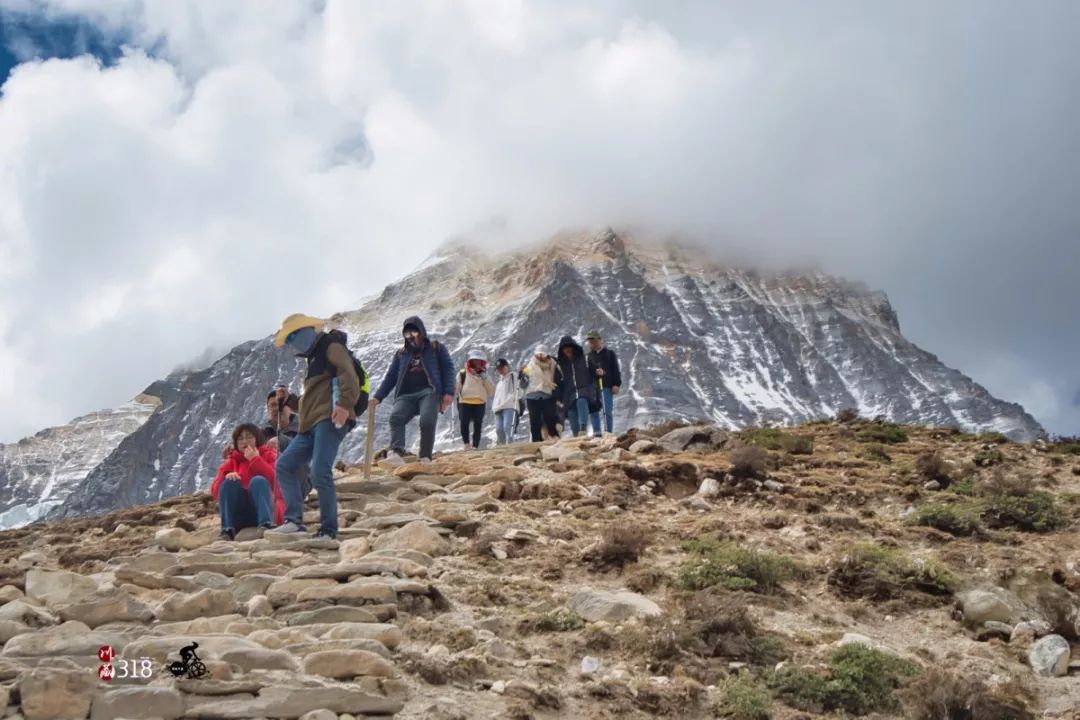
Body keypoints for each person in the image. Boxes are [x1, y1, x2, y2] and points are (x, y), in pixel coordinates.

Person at [268, 314, 362, 542]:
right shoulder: (314, 358)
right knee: (284, 465)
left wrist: (343, 404)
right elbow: (313, 398)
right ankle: (294, 521)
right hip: (310, 423)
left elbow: (348, 375)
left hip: (328, 419)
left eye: (293, 336)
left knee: (320, 470)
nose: (292, 343)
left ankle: (329, 530)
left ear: (306, 330)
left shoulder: (331, 346)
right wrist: (290, 400)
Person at [369, 316, 455, 465]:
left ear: (421, 331)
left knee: (427, 420)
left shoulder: (435, 348)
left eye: (413, 333)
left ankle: (425, 457)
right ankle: (396, 452)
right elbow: (391, 377)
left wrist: (448, 392)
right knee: (396, 417)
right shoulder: (401, 354)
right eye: (407, 334)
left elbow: (448, 369)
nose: (410, 337)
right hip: (406, 394)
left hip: (429, 391)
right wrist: (378, 397)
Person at [210, 423, 285, 541]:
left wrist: (256, 460)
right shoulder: (232, 462)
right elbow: (215, 492)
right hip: (241, 514)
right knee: (229, 483)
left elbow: (279, 483)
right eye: (240, 439)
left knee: (258, 481)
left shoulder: (270, 455)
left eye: (249, 437)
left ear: (257, 439)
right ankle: (227, 530)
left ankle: (266, 524)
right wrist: (226, 476)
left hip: (268, 510)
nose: (245, 441)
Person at [556, 335, 598, 437]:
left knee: (581, 401)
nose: (567, 350)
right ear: (562, 351)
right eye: (565, 348)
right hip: (569, 395)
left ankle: (583, 427)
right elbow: (558, 382)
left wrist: (598, 371)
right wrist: (558, 397)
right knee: (571, 414)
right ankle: (577, 437)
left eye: (569, 347)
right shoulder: (560, 365)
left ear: (574, 347)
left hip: (584, 390)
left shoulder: (585, 359)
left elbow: (594, 370)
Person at [455, 350, 494, 449]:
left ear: (482, 363)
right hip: (465, 401)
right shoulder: (463, 373)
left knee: (478, 424)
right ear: (470, 362)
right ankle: (466, 444)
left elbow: (491, 391)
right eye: (474, 361)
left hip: (480, 402)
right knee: (464, 423)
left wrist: (485, 378)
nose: (476, 363)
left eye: (479, 361)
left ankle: (475, 445)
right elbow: (456, 388)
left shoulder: (484, 376)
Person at [585, 330, 622, 435]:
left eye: (594, 340)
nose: (592, 343)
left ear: (600, 340)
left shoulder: (610, 354)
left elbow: (615, 369)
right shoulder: (589, 356)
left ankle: (608, 432)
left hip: (606, 385)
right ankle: (597, 433)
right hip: (593, 387)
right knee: (594, 410)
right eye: (590, 341)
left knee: (607, 411)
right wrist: (595, 372)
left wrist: (616, 384)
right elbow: (588, 372)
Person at [521, 347, 560, 441]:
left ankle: (554, 437)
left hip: (548, 394)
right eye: (538, 354)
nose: (540, 356)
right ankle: (536, 441)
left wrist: (548, 357)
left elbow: (558, 372)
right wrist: (522, 377)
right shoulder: (529, 366)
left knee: (550, 417)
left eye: (542, 354)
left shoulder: (552, 365)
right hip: (532, 396)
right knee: (535, 420)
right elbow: (523, 384)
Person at [492, 358, 519, 445]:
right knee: (499, 429)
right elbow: (496, 396)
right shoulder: (499, 382)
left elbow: (515, 392)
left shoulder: (513, 376)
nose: (500, 370)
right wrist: (495, 406)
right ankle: (502, 446)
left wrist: (503, 404)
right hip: (498, 408)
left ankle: (509, 445)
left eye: (502, 368)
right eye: (498, 369)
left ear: (507, 366)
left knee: (508, 427)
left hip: (509, 406)